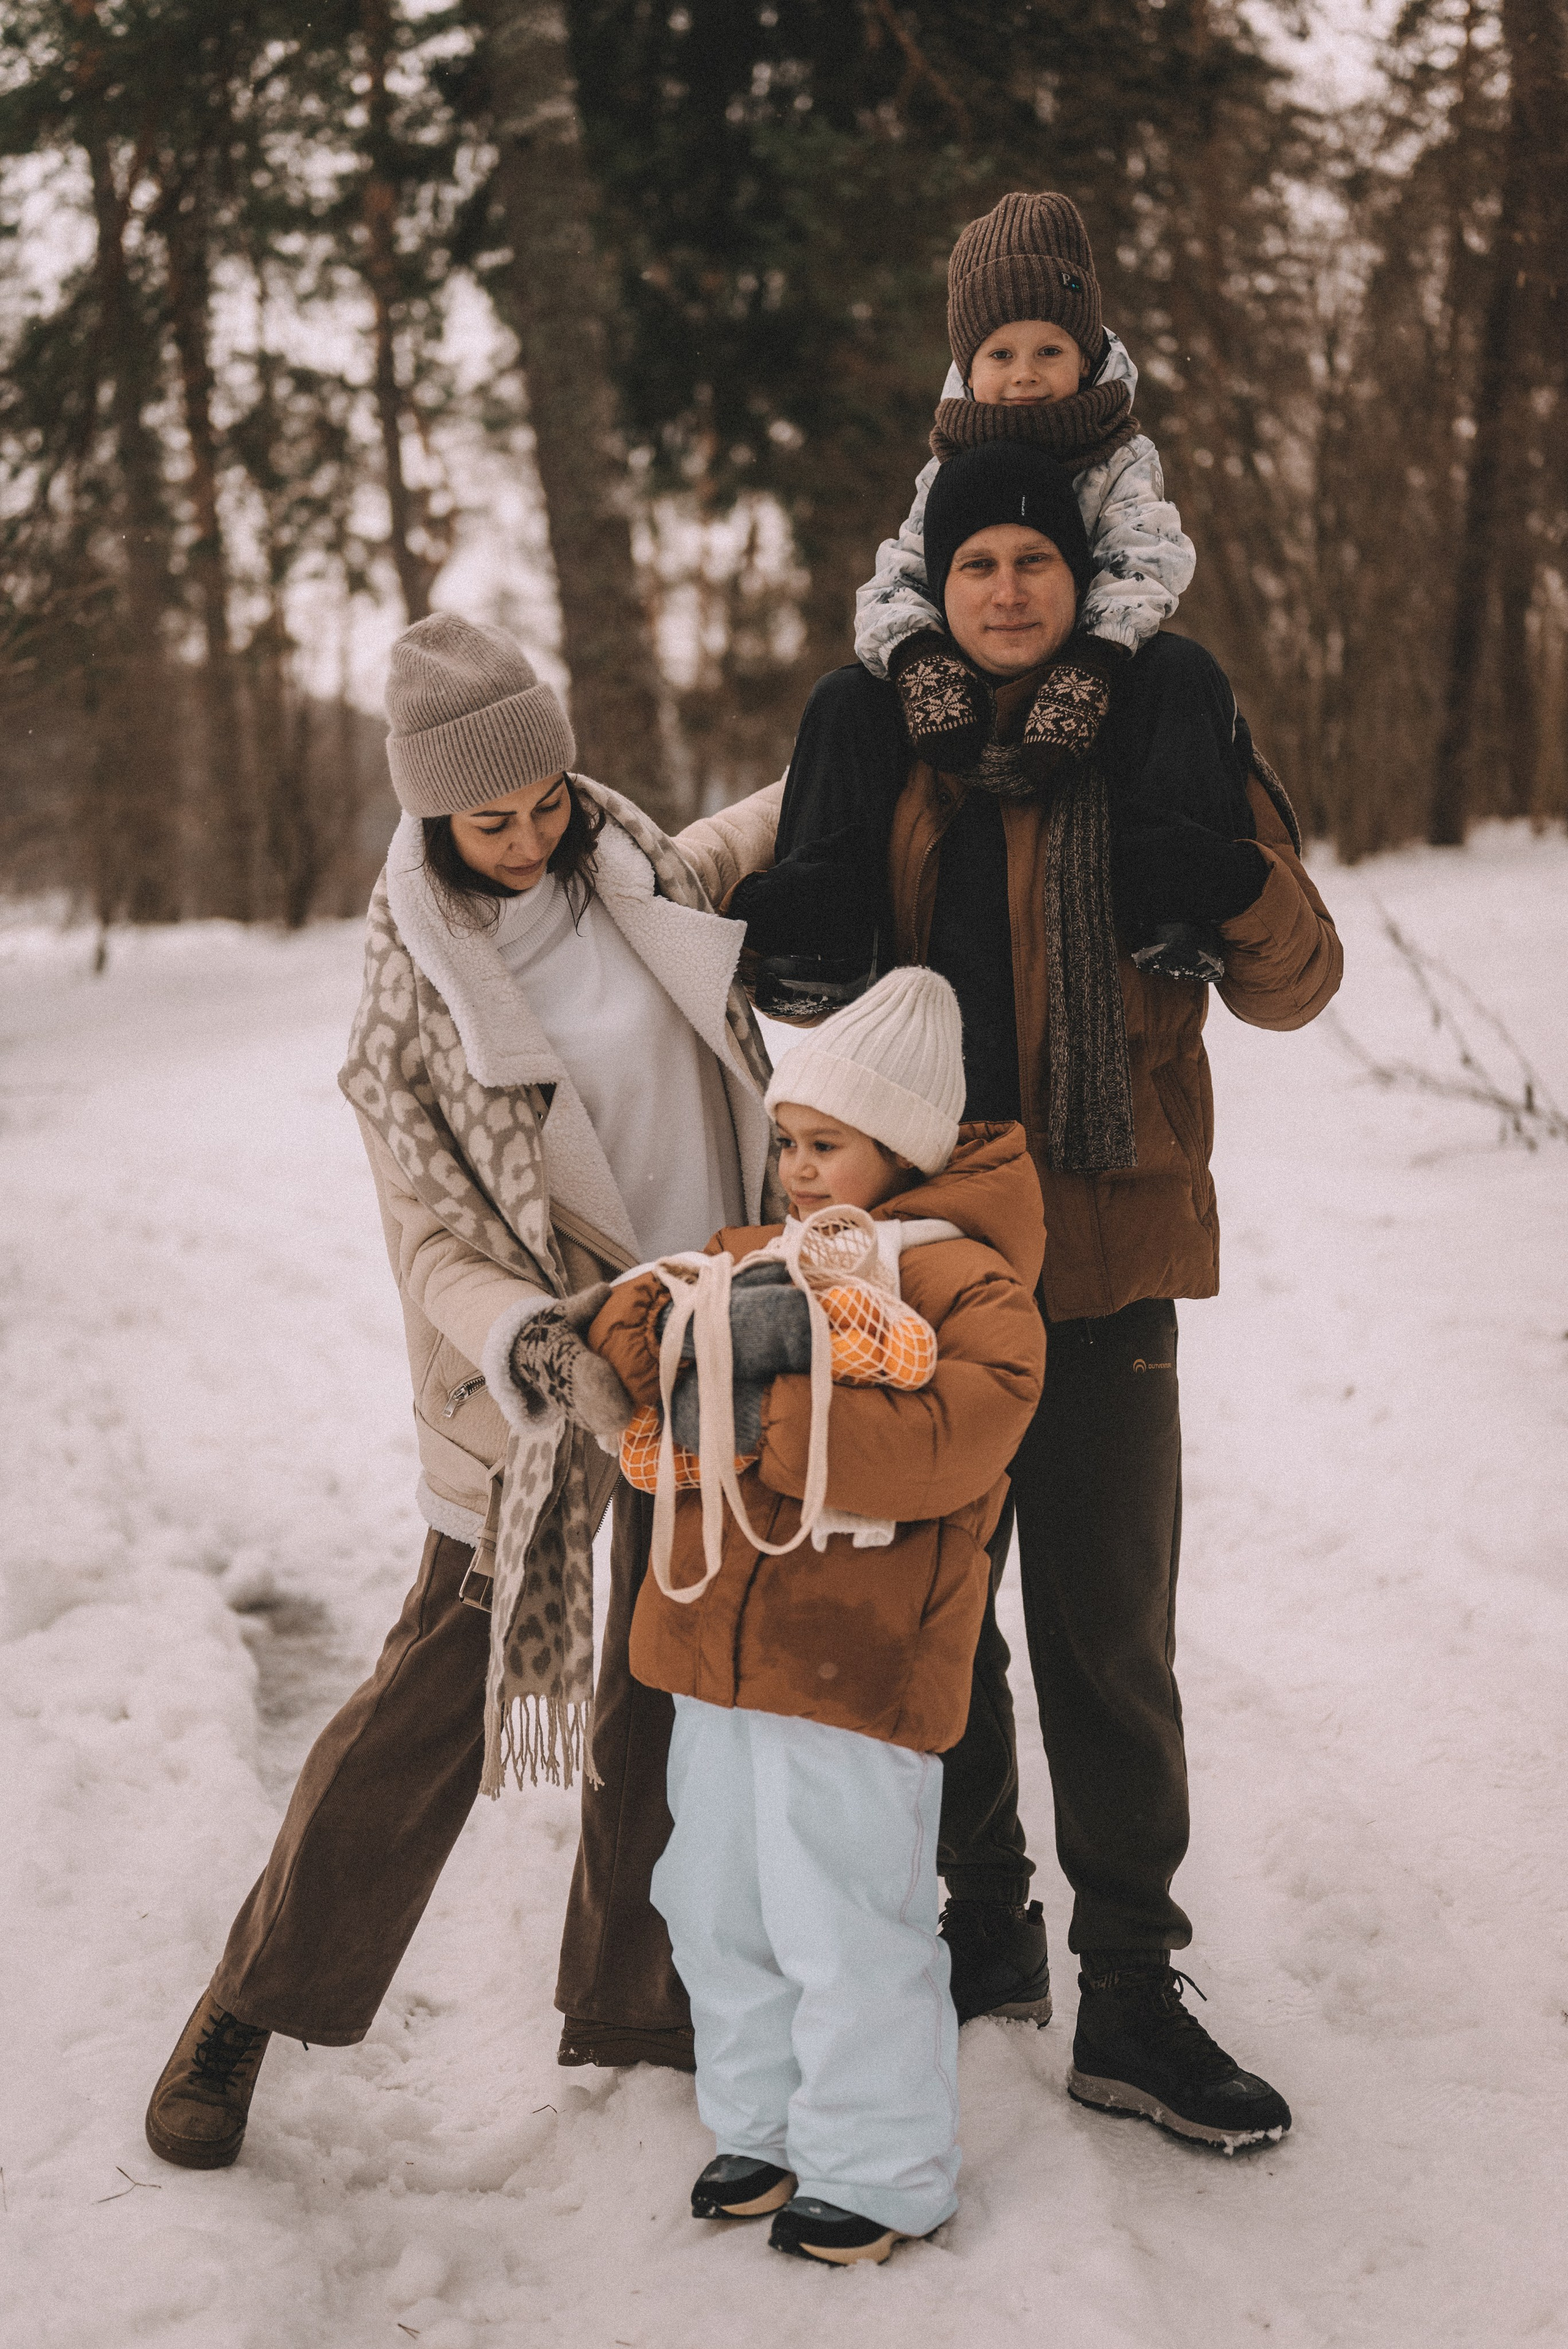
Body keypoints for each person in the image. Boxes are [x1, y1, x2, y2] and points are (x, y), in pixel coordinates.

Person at [577, 441, 1342, 2154]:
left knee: (1108, 1627)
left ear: (1082, 578)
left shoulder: (1161, 726)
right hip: (910, 1263)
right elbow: (758, 930)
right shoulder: (877, 738)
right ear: (939, 576)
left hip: (1109, 1251)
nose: (1008, 588)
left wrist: (1227, 878)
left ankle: (1134, 1986)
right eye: (979, 559)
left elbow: (1298, 978)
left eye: (1037, 561)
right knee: (932, 1596)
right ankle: (978, 1919)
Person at [141, 612, 782, 2170]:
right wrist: (539, 1342)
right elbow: (430, 1240)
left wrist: (869, 719)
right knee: (427, 1709)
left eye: (545, 798)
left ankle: (637, 2003)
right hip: (539, 1395)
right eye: (489, 817)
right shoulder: (408, 1002)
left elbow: (752, 829)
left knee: (674, 1684)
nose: (527, 835)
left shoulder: (630, 875)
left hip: (700, 1349)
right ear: (430, 812)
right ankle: (249, 1998)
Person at [585, 968, 1046, 2264]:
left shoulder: (972, 1290)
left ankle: (882, 2166)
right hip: (713, 1655)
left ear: (901, 1148)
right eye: (785, 1141)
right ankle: (765, 2124)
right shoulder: (760, 1259)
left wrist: (769, 1413)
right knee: (714, 1896)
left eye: (822, 1145)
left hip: (853, 1664)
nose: (791, 1168)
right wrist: (670, 1332)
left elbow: (960, 1434)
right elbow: (639, 1318)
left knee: (844, 1911)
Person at [746, 188, 1251, 1017]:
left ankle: (1175, 891)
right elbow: (896, 580)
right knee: (843, 696)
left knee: (1183, 674)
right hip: (969, 671)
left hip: (1098, 660)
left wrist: (1092, 662)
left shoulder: (1119, 455)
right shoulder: (945, 466)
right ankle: (822, 924)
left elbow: (1145, 563)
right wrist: (919, 658)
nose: (1025, 378)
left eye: (1049, 350)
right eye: (1001, 355)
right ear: (967, 366)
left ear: (1084, 357)